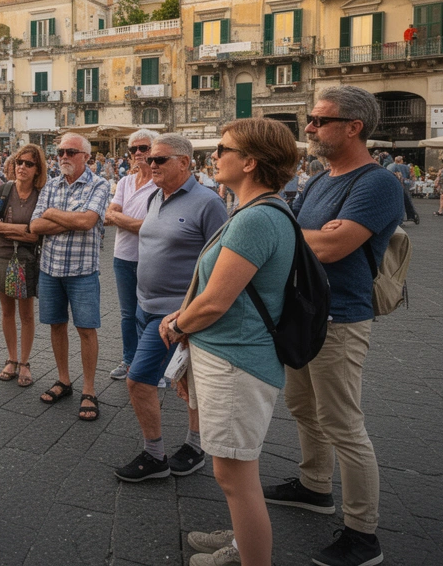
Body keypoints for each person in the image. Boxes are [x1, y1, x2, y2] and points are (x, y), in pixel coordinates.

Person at [265, 86, 403, 566]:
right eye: (311, 119)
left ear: (353, 127)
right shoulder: (322, 179)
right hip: (304, 312)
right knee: (302, 404)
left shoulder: (378, 183)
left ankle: (363, 534)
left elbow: (330, 247)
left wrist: (301, 235)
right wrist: (302, 234)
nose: (308, 127)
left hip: (341, 317)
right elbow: (294, 232)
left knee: (344, 423)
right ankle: (314, 485)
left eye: (319, 120)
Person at [160, 119, 300, 566]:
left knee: (235, 476)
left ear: (251, 161)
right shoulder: (255, 210)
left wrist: (178, 324)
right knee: (235, 472)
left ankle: (251, 557)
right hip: (230, 354)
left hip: (238, 361)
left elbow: (216, 300)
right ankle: (243, 540)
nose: (215, 155)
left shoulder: (256, 218)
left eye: (223, 148)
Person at [116, 133, 227, 483]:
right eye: (149, 159)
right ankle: (195, 447)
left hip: (177, 313)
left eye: (159, 159)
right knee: (187, 381)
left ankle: (156, 455)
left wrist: (193, 313)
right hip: (144, 305)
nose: (150, 164)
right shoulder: (154, 197)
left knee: (139, 380)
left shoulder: (208, 203)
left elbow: (220, 264)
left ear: (184, 162)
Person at [29, 132, 112, 421]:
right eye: (60, 151)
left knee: (86, 330)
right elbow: (35, 226)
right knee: (56, 326)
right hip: (50, 269)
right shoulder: (52, 184)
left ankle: (89, 389)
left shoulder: (100, 184)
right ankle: (64, 379)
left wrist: (53, 213)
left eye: (71, 152)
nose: (63, 156)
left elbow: (88, 221)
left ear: (86, 157)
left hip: (82, 271)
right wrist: (68, 220)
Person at [0, 143, 46, 387]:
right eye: (19, 162)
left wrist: (6, 229)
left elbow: (37, 234)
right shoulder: (4, 190)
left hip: (26, 260)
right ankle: (11, 358)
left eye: (29, 164)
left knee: (26, 314)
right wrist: (20, 230)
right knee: (7, 312)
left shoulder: (42, 196)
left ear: (38, 169)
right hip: (1, 256)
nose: (23, 167)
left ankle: (25, 362)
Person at [105, 130, 158, 381]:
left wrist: (120, 219)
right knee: (128, 313)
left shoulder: (160, 184)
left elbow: (148, 227)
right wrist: (133, 222)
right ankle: (129, 360)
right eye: (133, 149)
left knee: (149, 313)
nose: (138, 153)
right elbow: (108, 214)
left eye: (144, 148)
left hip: (151, 257)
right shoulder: (125, 182)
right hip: (123, 255)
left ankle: (151, 365)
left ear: (154, 149)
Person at [389, 155, 419, 225]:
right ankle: (411, 215)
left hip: (397, 184)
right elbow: (409, 176)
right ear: (401, 161)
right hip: (405, 184)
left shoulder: (391, 166)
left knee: (398, 202)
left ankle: (400, 219)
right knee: (407, 200)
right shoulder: (406, 167)